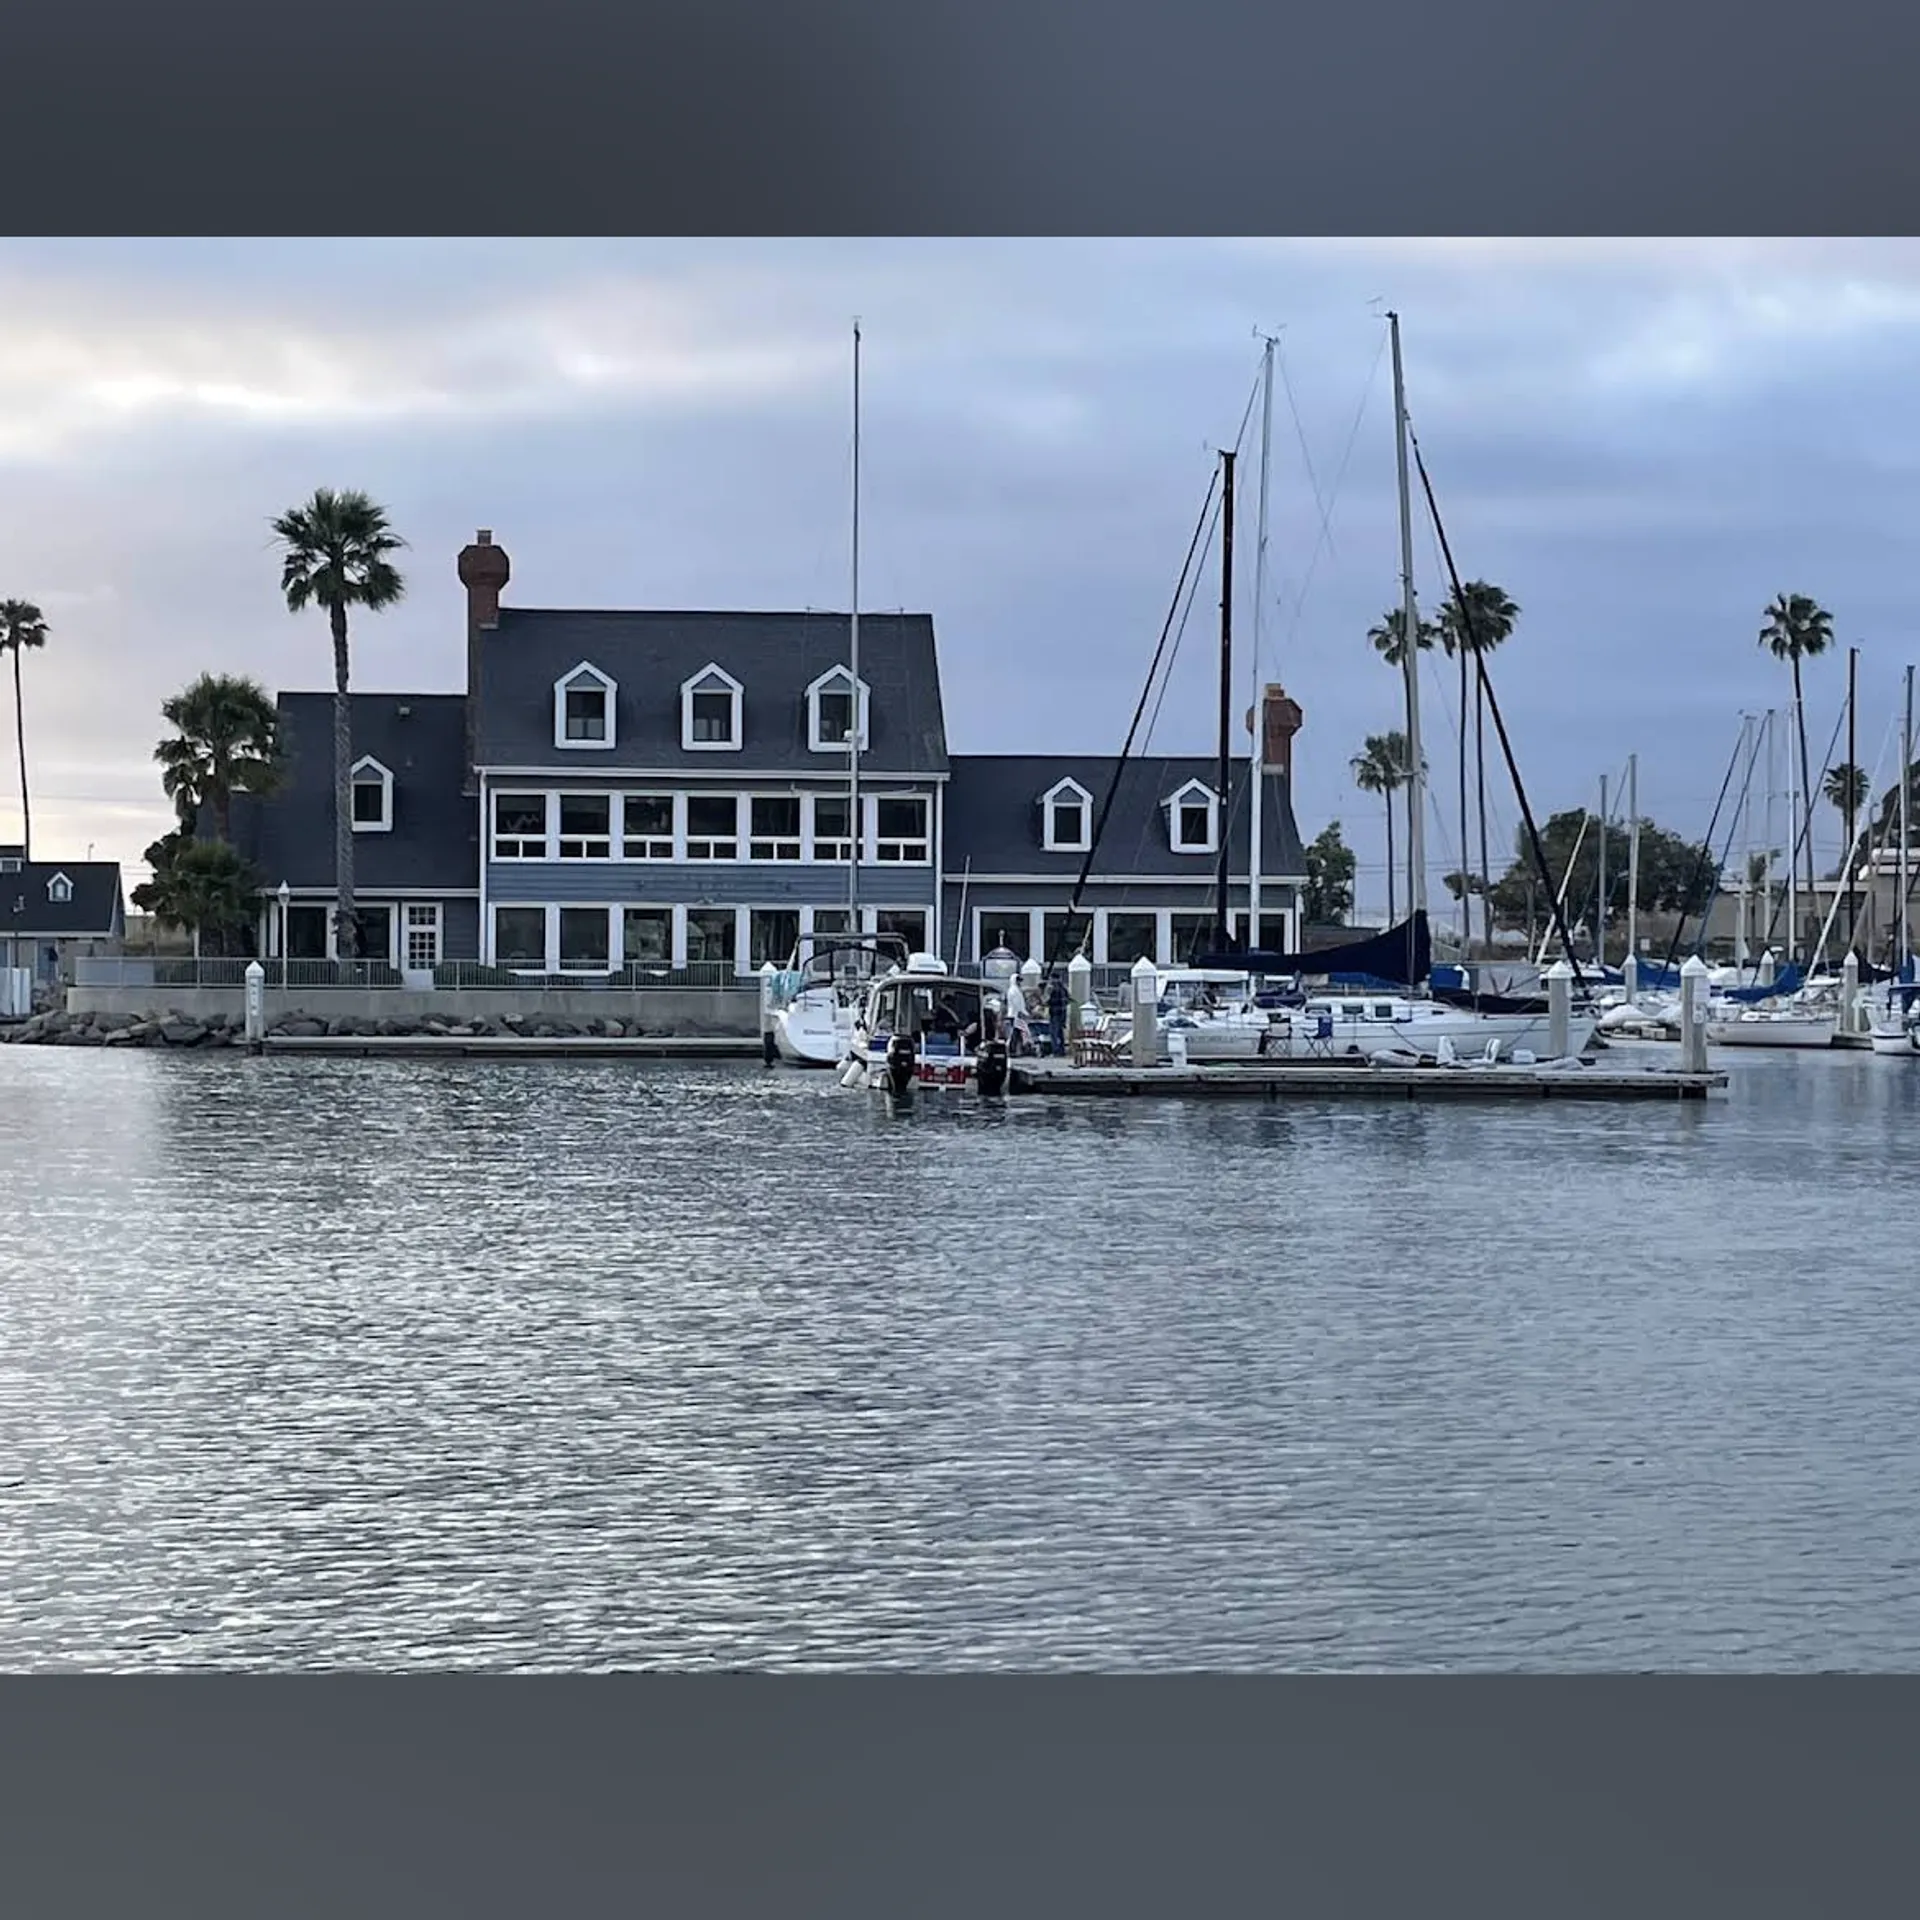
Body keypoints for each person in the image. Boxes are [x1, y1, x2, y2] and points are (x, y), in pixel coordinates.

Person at [1047, 974, 1069, 1055]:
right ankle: (1061, 1050)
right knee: (1060, 1033)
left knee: (1054, 1033)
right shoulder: (1063, 989)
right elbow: (1066, 1001)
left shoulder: (1054, 989)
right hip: (1062, 1013)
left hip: (1055, 1013)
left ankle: (1055, 1051)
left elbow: (1051, 1001)